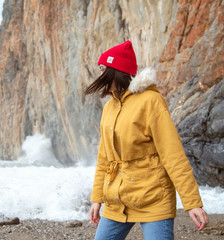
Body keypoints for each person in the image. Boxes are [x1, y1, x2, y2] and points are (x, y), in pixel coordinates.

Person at [85, 40, 209, 240]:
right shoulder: (109, 107)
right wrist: (97, 199)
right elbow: (104, 159)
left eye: (102, 69)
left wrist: (192, 203)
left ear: (115, 71)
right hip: (117, 200)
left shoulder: (151, 101)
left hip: (153, 197)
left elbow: (172, 154)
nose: (99, 75)